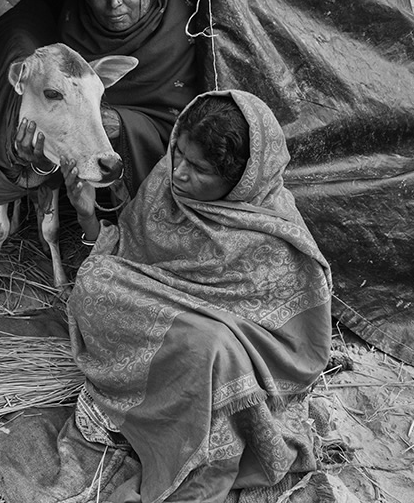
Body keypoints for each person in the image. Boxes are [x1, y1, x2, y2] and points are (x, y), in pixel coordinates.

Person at [58, 90, 333, 502]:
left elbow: (297, 349)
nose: (179, 172)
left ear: (241, 180)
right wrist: (86, 214)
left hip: (215, 352)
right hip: (162, 317)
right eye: (178, 154)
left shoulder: (274, 236)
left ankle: (193, 423)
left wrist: (218, 344)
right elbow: (125, 256)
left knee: (213, 349)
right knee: (95, 277)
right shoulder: (166, 184)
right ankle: (166, 383)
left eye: (199, 168)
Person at [17, 0, 198, 200]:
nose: (115, 1)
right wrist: (43, 159)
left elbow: (197, 122)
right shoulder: (73, 31)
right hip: (93, 185)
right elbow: (60, 124)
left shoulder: (185, 22)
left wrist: (123, 124)